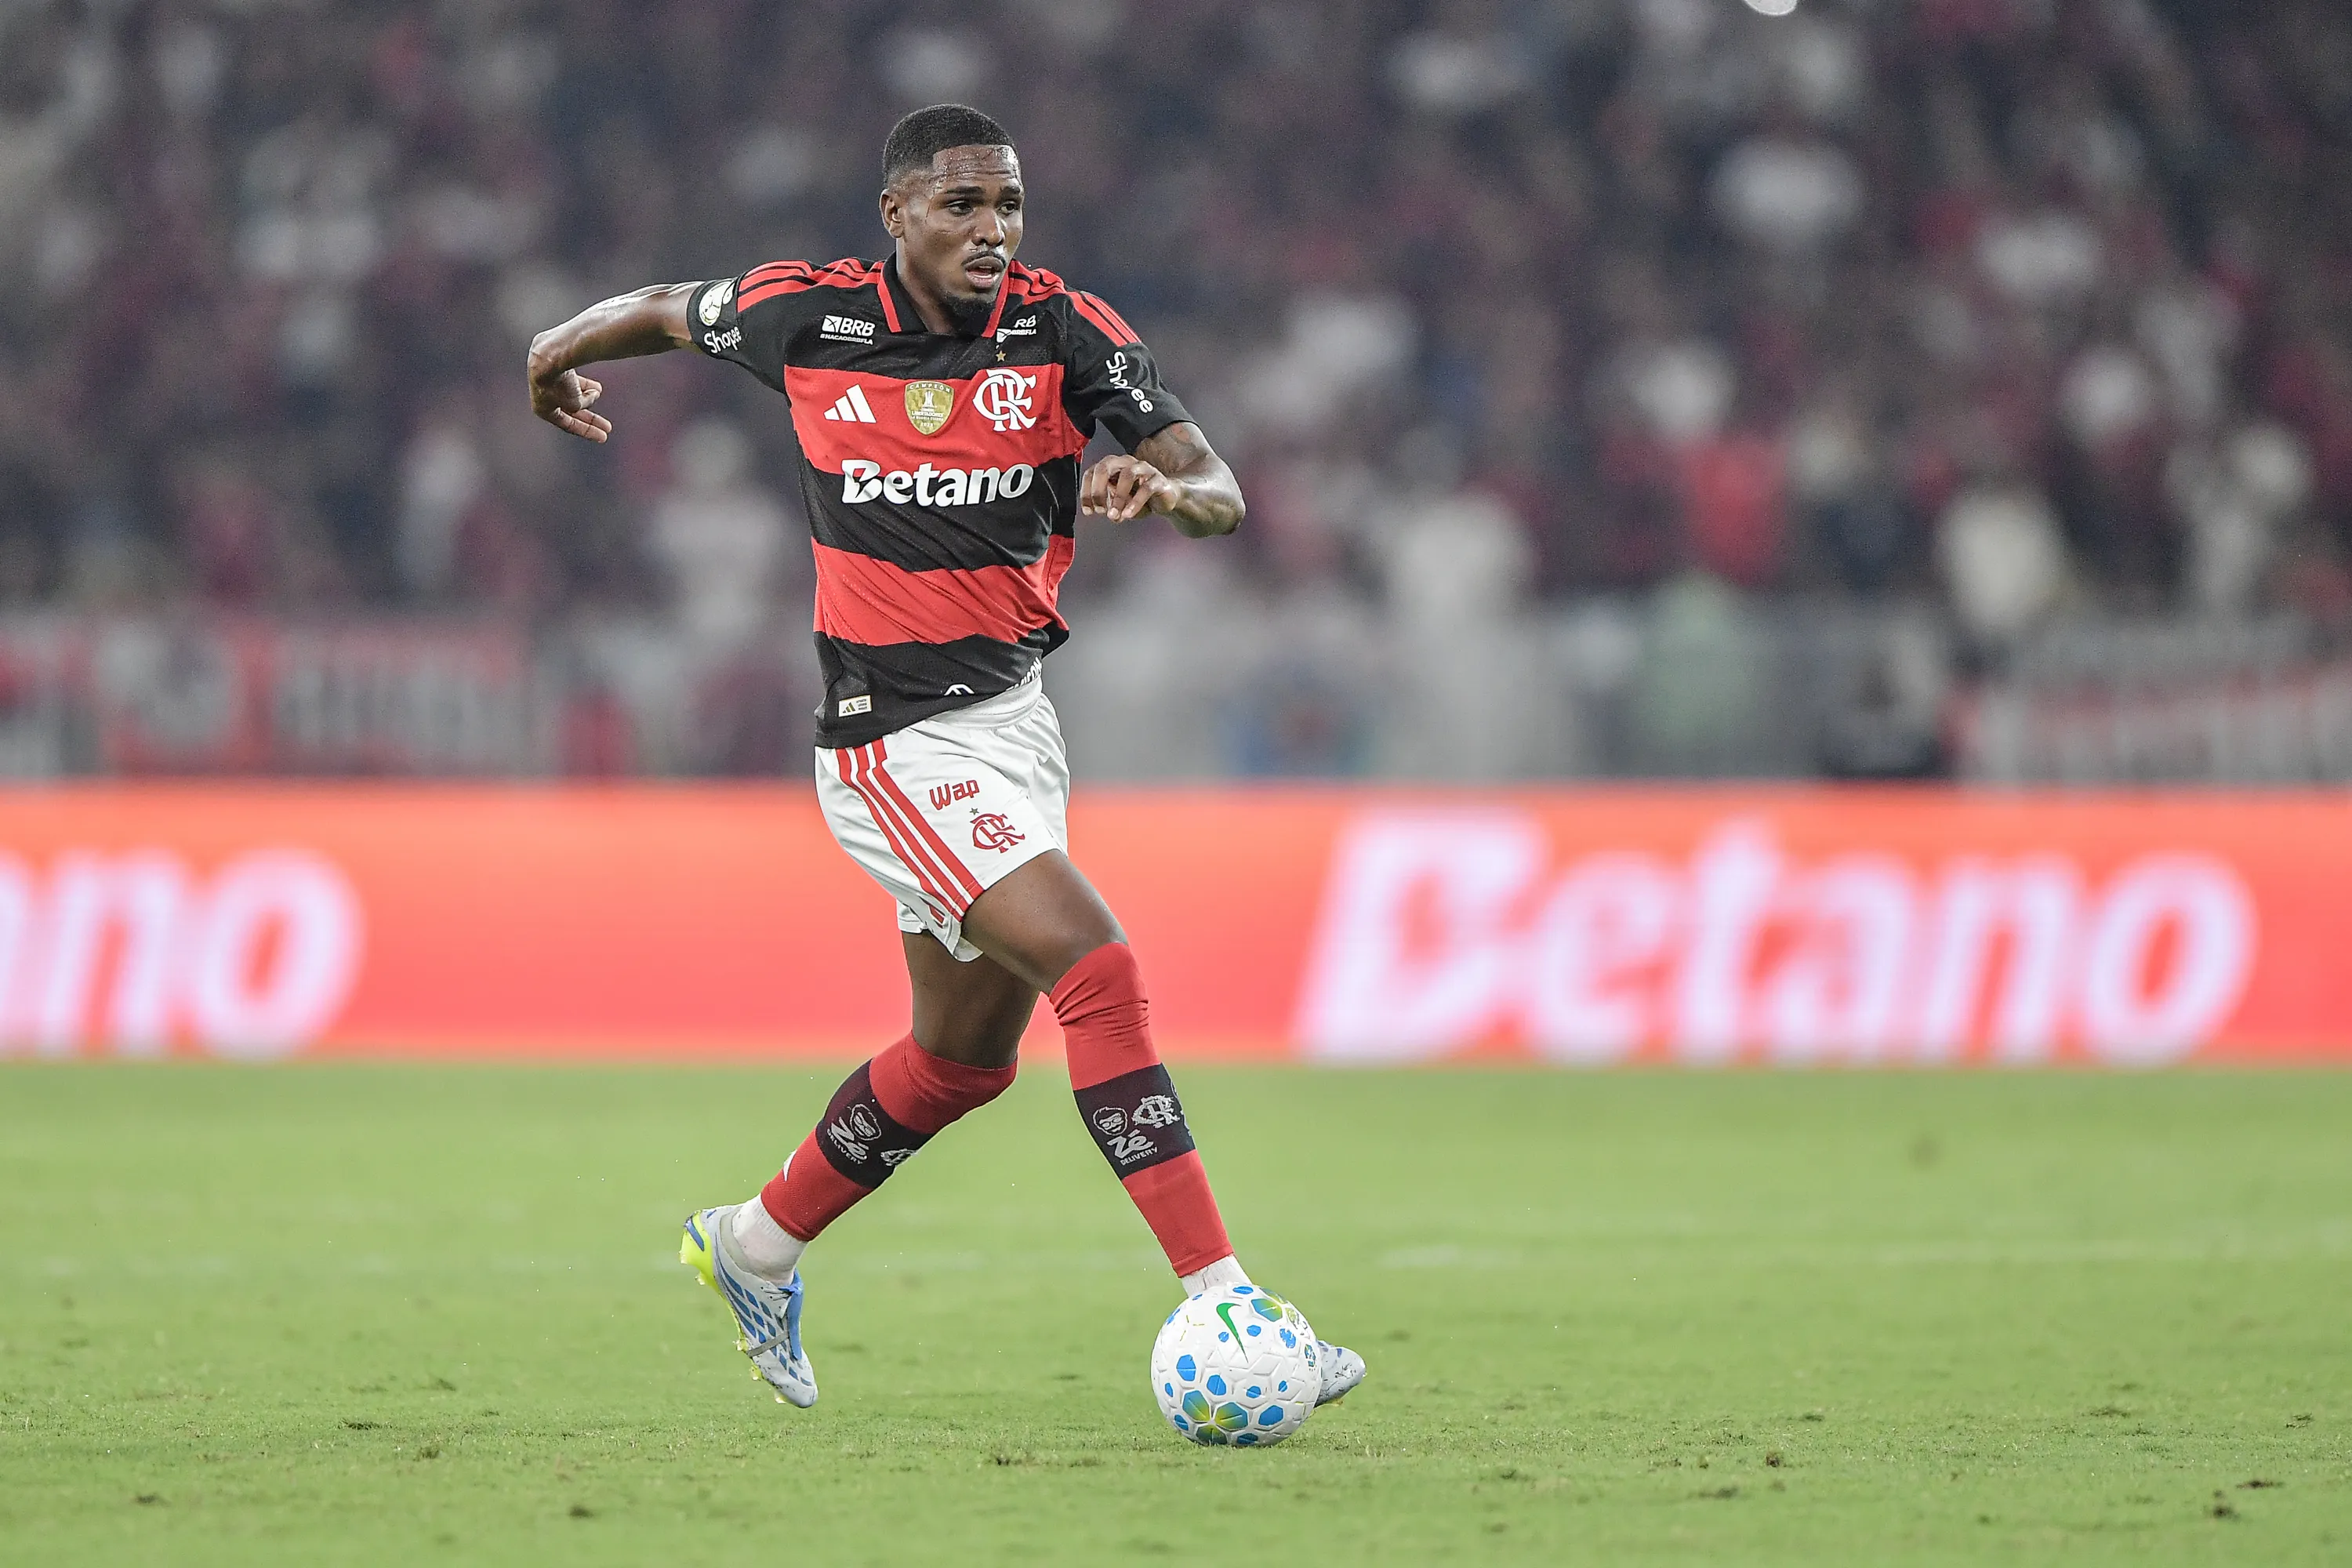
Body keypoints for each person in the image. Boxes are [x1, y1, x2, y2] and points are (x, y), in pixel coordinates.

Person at [524, 103, 1365, 1411]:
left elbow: (1221, 490)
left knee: (964, 1062)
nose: (992, 230)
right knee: (1100, 972)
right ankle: (1229, 1300)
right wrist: (552, 355)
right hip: (892, 742)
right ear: (898, 214)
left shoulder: (1063, 332)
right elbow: (668, 311)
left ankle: (752, 1245)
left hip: (1015, 725)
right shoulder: (808, 316)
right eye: (963, 204)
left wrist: (1166, 492)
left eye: (1008, 205)